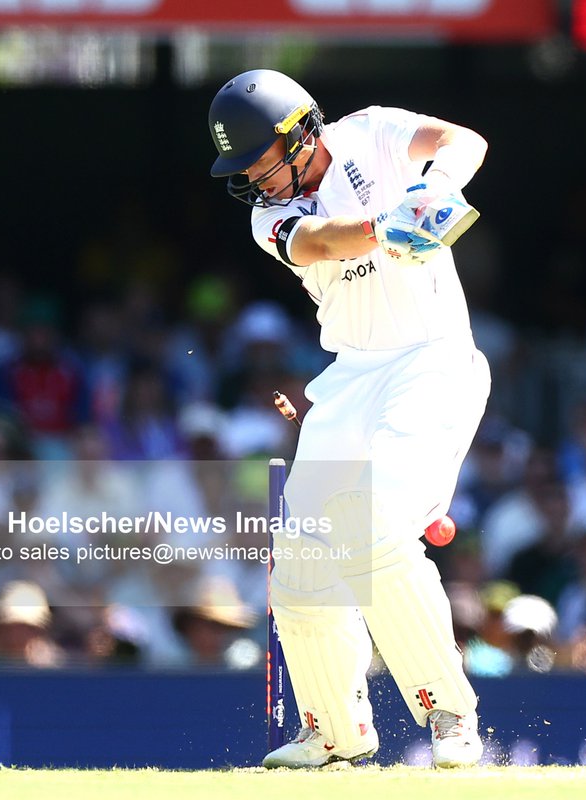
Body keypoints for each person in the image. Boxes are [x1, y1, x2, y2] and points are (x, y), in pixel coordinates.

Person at [207, 69, 490, 768]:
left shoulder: (368, 132)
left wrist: (435, 187)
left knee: (372, 530)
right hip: (350, 378)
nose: (251, 181)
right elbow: (326, 242)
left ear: (299, 133)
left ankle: (449, 711)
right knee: (300, 559)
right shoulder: (266, 218)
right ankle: (334, 732)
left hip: (433, 363)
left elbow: (463, 140)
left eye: (257, 163)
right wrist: (389, 225)